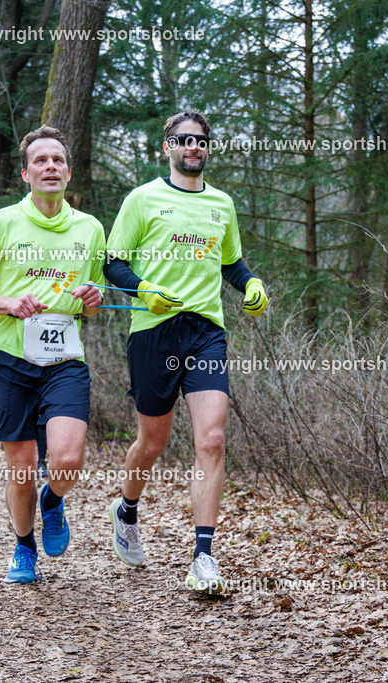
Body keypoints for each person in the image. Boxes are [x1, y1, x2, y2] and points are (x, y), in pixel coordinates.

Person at [103, 111, 269, 594]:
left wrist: (251, 283)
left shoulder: (222, 204)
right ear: (167, 147)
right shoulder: (142, 199)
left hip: (205, 331)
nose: (193, 147)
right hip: (153, 329)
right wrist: (144, 289)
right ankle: (127, 509)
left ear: (208, 149)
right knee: (152, 443)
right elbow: (113, 263)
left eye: (200, 141)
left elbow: (232, 263)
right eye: (184, 140)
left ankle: (203, 556)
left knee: (212, 439)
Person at [0, 125, 106, 584]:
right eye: (40, 161)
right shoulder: (1, 224)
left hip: (64, 359)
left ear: (69, 172)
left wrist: (93, 298)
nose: (50, 167)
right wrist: (7, 303)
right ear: (25, 173)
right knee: (20, 468)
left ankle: (53, 500)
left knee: (67, 459)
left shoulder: (90, 228)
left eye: (58, 160)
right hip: (8, 358)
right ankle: (24, 548)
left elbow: (91, 297)